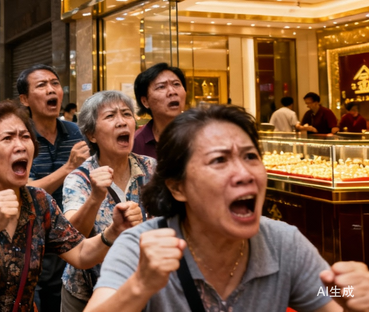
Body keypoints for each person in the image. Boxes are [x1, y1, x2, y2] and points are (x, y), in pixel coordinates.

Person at [84, 105, 369, 312]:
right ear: (177, 187)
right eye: (219, 160)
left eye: (250, 156)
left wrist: (351, 292)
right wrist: (140, 285)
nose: (245, 174)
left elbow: (323, 292)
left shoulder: (283, 242)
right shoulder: (141, 247)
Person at [0, 102, 124, 311]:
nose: (21, 146)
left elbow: (80, 254)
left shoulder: (39, 201)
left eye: (25, 137)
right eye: (7, 138)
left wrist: (113, 231)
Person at [61, 91, 155, 311]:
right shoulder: (79, 178)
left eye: (127, 114)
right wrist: (95, 197)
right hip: (86, 292)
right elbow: (71, 237)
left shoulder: (151, 168)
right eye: (111, 116)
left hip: (142, 288)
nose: (122, 121)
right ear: (91, 134)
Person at [17, 64, 89, 312]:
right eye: (42, 85)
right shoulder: (20, 138)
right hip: (30, 241)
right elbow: (24, 188)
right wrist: (68, 167)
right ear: (24, 99)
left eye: (55, 83)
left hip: (70, 239)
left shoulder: (77, 134)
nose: (52, 90)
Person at [132, 63, 188, 159]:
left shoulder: (201, 134)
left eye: (176, 84)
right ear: (145, 101)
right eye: (161, 87)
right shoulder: (136, 143)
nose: (172, 91)